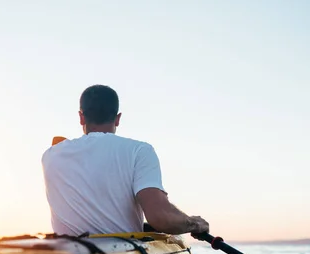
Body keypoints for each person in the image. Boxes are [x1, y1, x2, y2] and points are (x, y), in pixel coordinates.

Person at [41, 84, 209, 237]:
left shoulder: (50, 155)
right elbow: (159, 217)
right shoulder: (140, 151)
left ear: (81, 117)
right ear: (118, 118)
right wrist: (193, 223)